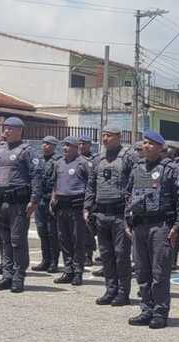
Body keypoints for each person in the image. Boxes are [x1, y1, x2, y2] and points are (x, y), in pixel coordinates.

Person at [125, 131, 179, 329]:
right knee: (142, 270)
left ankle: (160, 312)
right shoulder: (138, 168)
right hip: (140, 225)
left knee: (159, 271)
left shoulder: (171, 169)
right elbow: (130, 194)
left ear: (161, 147)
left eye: (151, 143)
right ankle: (146, 309)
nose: (146, 146)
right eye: (145, 143)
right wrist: (127, 218)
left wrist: (177, 226)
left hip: (161, 226)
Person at [85, 126, 135, 306]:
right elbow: (91, 185)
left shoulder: (129, 157)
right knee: (106, 254)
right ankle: (110, 289)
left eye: (109, 136)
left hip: (120, 214)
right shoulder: (98, 159)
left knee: (121, 255)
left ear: (119, 137)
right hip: (101, 213)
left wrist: (131, 211)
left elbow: (137, 184)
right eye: (103, 136)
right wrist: (87, 207)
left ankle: (123, 292)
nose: (105, 139)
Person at [0, 118, 38, 293]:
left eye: (9, 129)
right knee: (4, 240)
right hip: (0, 202)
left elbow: (36, 176)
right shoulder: (0, 152)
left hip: (18, 203)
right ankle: (7, 276)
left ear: (19, 131)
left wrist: (34, 200)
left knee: (17, 241)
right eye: (5, 128)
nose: (6, 131)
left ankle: (18, 277)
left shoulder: (27, 151)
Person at [52, 137, 91, 285]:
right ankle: (68, 270)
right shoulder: (59, 163)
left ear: (76, 148)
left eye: (68, 146)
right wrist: (53, 199)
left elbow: (90, 185)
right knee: (64, 240)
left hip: (77, 206)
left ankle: (78, 272)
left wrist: (88, 206)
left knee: (77, 240)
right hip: (61, 206)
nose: (65, 148)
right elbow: (55, 183)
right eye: (64, 146)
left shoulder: (83, 163)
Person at [33, 136, 60, 272]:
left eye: (48, 144)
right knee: (41, 230)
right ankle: (45, 260)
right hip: (39, 200)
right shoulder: (37, 160)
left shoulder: (58, 161)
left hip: (51, 199)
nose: (45, 146)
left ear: (54, 146)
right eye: (44, 143)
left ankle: (54, 262)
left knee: (52, 232)